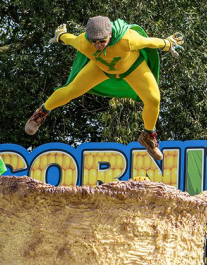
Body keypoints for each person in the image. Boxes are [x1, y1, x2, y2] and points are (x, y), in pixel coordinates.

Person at [25, 16, 183, 161]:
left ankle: (148, 136)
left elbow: (150, 42)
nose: (98, 45)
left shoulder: (128, 39)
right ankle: (41, 112)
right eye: (94, 42)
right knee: (70, 91)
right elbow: (70, 39)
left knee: (153, 99)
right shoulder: (84, 43)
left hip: (133, 68)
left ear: (110, 34)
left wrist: (168, 43)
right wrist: (60, 35)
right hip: (101, 69)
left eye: (102, 41)